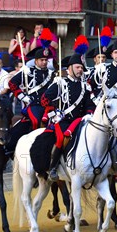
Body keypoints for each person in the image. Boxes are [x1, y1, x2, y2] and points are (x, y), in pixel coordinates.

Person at [41, 41, 94, 180]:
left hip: (80, 120)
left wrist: (89, 114)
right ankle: (52, 167)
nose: (80, 70)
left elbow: (89, 104)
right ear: (69, 68)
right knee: (61, 138)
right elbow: (45, 99)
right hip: (63, 120)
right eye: (77, 67)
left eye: (81, 68)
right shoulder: (60, 83)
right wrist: (53, 113)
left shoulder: (85, 86)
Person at [8, 43, 54, 130]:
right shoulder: (28, 72)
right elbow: (12, 83)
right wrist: (22, 96)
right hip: (34, 104)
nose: (44, 62)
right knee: (36, 121)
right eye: (42, 60)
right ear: (36, 61)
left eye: (46, 60)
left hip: (49, 106)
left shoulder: (52, 74)